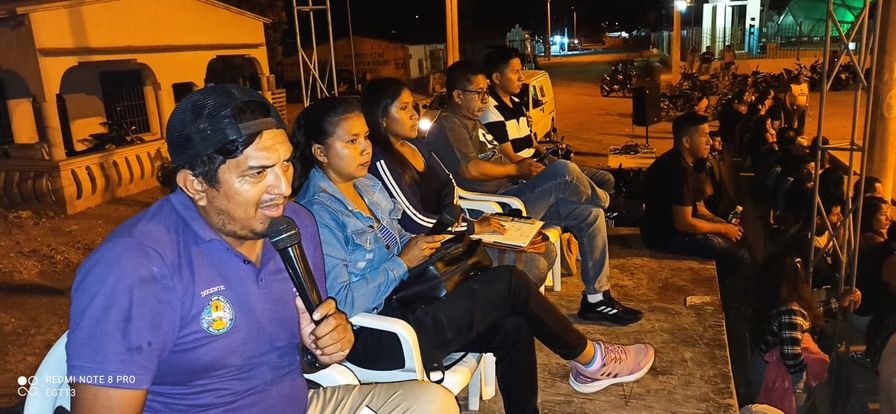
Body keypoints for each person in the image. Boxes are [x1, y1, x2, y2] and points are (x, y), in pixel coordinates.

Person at [65, 85, 456, 413]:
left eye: (284, 164)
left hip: (298, 403)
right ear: (195, 185)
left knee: (430, 403)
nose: (282, 188)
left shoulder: (295, 225)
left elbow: (300, 356)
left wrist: (321, 344)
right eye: (257, 173)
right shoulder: (133, 267)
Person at [291, 96, 656, 414]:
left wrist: (429, 244)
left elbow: (396, 237)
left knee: (514, 326)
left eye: (366, 137)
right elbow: (341, 303)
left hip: (411, 301)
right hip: (380, 334)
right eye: (351, 141)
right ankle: (590, 359)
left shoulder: (366, 184)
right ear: (320, 152)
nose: (365, 149)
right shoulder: (318, 214)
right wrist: (402, 263)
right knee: (510, 282)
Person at [427, 60, 643, 325]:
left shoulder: (472, 122)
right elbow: (469, 169)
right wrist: (516, 169)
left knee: (590, 214)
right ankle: (611, 204)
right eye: (479, 93)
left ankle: (596, 299)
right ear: (458, 95)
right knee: (564, 171)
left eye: (486, 92)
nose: (485, 99)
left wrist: (526, 169)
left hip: (515, 193)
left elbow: (500, 158)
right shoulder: (449, 125)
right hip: (500, 206)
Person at [361, 76, 556, 286]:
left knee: (547, 249)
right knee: (534, 265)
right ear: (381, 117)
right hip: (430, 251)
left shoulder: (415, 143)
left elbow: (449, 182)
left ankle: (503, 301)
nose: (414, 114)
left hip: (453, 233)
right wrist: (471, 227)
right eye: (403, 108)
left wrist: (455, 218)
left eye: (413, 106)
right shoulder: (380, 162)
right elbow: (416, 222)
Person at [480, 46, 615, 194]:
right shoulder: (490, 110)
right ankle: (603, 202)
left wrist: (552, 160)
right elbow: (510, 157)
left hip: (541, 165)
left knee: (605, 178)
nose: (521, 77)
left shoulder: (517, 104)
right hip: (528, 175)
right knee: (579, 182)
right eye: (515, 72)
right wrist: (551, 170)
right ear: (497, 78)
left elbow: (533, 144)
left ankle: (601, 203)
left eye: (521, 70)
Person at [640, 112, 751, 279]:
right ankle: (729, 293)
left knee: (732, 238)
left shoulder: (680, 161)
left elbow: (696, 207)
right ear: (686, 141)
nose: (710, 142)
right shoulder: (679, 170)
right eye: (705, 136)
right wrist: (723, 229)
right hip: (664, 237)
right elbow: (684, 223)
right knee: (740, 254)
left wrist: (723, 224)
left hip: (662, 232)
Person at [750, 253, 860, 414]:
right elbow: (792, 358)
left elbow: (807, 317)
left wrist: (838, 303)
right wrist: (810, 370)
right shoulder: (790, 312)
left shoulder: (777, 303)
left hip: (768, 372)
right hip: (783, 380)